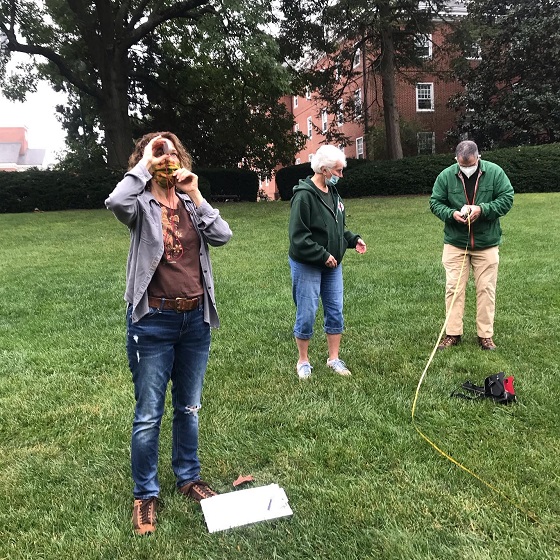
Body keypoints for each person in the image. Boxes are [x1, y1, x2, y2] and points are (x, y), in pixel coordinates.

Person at [105, 132, 232, 536]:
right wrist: (144, 163)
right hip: (153, 321)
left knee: (189, 407)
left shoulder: (192, 206)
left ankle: (188, 477)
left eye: (171, 154)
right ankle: (145, 494)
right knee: (148, 414)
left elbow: (222, 235)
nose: (167, 160)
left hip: (195, 320)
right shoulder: (139, 204)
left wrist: (196, 193)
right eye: (160, 154)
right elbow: (115, 202)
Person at [288, 144, 367, 379]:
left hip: (333, 265)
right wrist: (323, 255)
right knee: (307, 311)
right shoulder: (303, 197)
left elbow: (337, 228)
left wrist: (354, 240)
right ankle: (303, 361)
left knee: (335, 310)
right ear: (323, 170)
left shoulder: (333, 194)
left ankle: (334, 358)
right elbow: (298, 237)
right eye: (338, 171)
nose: (340, 176)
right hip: (308, 264)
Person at [429, 140, 514, 351]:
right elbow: (435, 202)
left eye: (470, 164)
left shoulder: (495, 173)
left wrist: (482, 210)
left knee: (486, 289)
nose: (467, 168)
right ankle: (453, 334)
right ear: (456, 160)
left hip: (486, 243)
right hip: (456, 243)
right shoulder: (446, 176)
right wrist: (451, 214)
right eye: (462, 165)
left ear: (479, 158)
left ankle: (485, 336)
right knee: (453, 288)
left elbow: (507, 197)